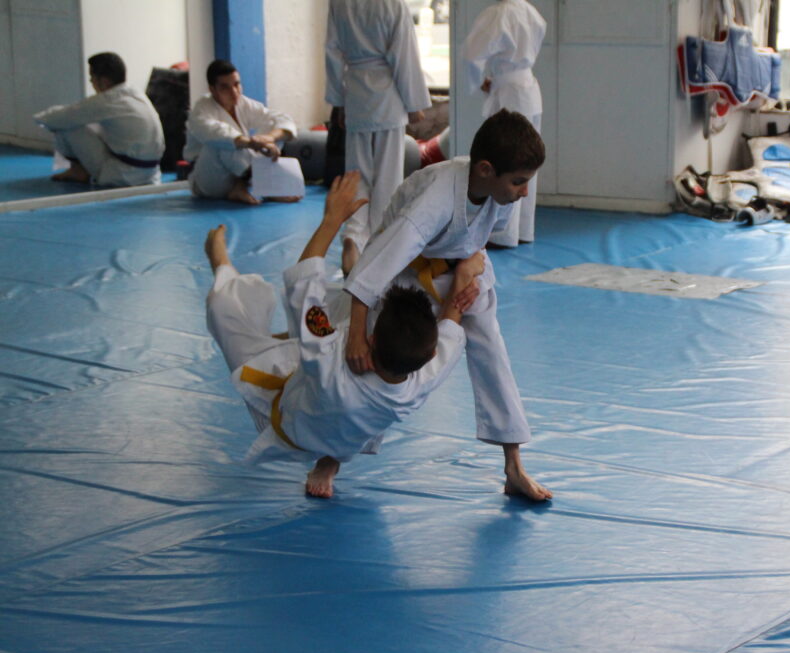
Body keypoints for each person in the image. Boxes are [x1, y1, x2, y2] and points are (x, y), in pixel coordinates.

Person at [205, 170, 483, 498]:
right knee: (349, 307)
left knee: (224, 309)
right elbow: (450, 324)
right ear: (430, 356)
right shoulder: (420, 380)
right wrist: (464, 273)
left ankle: (219, 259)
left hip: (287, 420)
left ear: (372, 339)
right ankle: (331, 460)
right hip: (346, 430)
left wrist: (332, 220)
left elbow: (304, 283)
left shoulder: (329, 358)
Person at [344, 109, 553, 502]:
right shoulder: (436, 197)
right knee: (376, 360)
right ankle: (333, 457)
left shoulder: (497, 189)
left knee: (492, 347)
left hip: (458, 267)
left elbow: (478, 233)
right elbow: (376, 267)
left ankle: (514, 467)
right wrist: (357, 335)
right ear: (487, 170)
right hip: (401, 272)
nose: (525, 191)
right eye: (519, 182)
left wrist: (467, 273)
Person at [325, 0, 433, 274]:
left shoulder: (340, 3)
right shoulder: (392, 4)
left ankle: (353, 237)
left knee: (357, 176)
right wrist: (413, 103)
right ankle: (380, 249)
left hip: (357, 95)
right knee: (387, 178)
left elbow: (332, 52)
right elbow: (403, 54)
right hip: (388, 97)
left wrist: (339, 101)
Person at [463, 0, 546, 247]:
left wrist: (479, 80)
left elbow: (471, 54)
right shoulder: (532, 13)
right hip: (529, 89)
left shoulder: (498, 14)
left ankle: (501, 233)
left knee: (505, 162)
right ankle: (522, 230)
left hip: (509, 90)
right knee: (526, 164)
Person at [33, 52, 164, 187]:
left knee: (67, 124)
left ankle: (78, 171)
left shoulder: (107, 100)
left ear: (104, 81)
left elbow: (57, 118)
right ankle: (80, 170)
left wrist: (38, 118)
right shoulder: (135, 93)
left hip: (122, 176)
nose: (91, 82)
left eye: (92, 78)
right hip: (151, 175)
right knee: (88, 121)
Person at [184, 59, 299, 205]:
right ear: (212, 90)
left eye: (237, 84)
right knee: (223, 142)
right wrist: (252, 143)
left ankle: (262, 187)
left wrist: (268, 138)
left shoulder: (243, 103)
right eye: (225, 87)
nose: (234, 92)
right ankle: (249, 187)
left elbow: (281, 118)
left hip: (240, 173)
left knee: (275, 131)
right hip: (211, 179)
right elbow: (215, 133)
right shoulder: (201, 108)